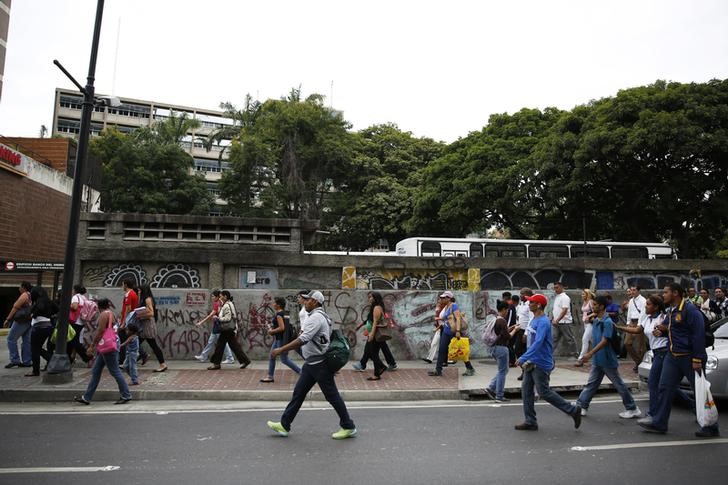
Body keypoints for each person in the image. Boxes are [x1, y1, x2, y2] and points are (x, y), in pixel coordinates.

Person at [266, 290, 357, 440]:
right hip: (311, 364)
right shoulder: (318, 316)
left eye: (308, 300)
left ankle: (348, 426)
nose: (305, 302)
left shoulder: (316, 318)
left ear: (315, 302)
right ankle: (284, 424)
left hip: (319, 364)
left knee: (332, 396)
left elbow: (304, 339)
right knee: (299, 393)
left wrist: (281, 349)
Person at [639, 283, 720, 438]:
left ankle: (711, 426)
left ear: (675, 293)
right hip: (673, 356)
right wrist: (661, 333)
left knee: (700, 391)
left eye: (665, 292)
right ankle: (659, 422)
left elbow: (698, 335)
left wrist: (697, 358)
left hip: (690, 357)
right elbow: (677, 332)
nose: (663, 295)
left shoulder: (691, 310)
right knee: (664, 388)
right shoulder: (672, 311)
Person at [616, 293, 690, 424]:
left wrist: (663, 331)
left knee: (653, 383)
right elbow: (638, 330)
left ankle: (653, 413)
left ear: (656, 307)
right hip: (655, 353)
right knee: (668, 386)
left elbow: (672, 330)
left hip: (664, 353)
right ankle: (693, 405)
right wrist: (619, 327)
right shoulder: (647, 318)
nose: (645, 306)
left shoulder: (664, 317)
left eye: (648, 304)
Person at [515, 293, 581, 431]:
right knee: (526, 391)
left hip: (541, 363)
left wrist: (523, 357)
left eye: (531, 302)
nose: (529, 304)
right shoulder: (534, 319)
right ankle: (530, 421)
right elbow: (531, 340)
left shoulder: (544, 322)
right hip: (531, 362)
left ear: (538, 305)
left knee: (544, 392)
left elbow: (538, 342)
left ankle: (573, 410)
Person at [575, 295, 641, 419]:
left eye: (594, 305)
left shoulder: (607, 322)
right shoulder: (596, 320)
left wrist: (590, 353)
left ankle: (632, 408)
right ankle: (581, 405)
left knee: (619, 385)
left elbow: (605, 341)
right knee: (592, 384)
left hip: (607, 359)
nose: (592, 306)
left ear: (601, 306)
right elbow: (593, 337)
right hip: (598, 360)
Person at [74, 298, 132, 405]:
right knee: (96, 370)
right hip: (109, 344)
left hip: (107, 346)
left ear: (99, 306)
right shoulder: (112, 314)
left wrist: (92, 346)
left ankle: (126, 394)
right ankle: (87, 397)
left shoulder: (103, 315)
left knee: (115, 371)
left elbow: (100, 331)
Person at [428, 291, 475, 377]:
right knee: (442, 350)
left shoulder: (454, 306)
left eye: (443, 298)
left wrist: (457, 331)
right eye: (441, 298)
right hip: (446, 331)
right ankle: (438, 370)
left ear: (449, 298)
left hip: (453, 332)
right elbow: (446, 319)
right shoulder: (446, 307)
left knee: (460, 350)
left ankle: (470, 368)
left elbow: (458, 318)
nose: (441, 299)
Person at [484, 300, 520, 402]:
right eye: (507, 310)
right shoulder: (502, 321)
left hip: (494, 348)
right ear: (504, 309)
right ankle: (498, 395)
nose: (508, 312)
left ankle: (491, 388)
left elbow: (501, 333)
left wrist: (511, 327)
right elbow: (507, 337)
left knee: (503, 370)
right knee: (502, 371)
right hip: (501, 348)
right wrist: (515, 330)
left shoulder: (496, 319)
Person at [261, 297, 301, 383]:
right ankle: (270, 376)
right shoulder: (284, 313)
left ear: (278, 305)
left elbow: (282, 328)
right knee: (272, 356)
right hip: (279, 339)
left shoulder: (279, 315)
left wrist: (271, 331)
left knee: (284, 359)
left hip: (281, 340)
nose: (273, 304)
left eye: (274, 303)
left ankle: (301, 372)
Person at [207, 290, 251, 370]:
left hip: (226, 329)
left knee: (220, 346)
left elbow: (228, 318)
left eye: (221, 296)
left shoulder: (227, 305)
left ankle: (216, 363)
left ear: (225, 296)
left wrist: (218, 318)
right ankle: (245, 360)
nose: (220, 297)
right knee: (234, 346)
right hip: (230, 329)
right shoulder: (228, 304)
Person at [194, 290, 234, 364]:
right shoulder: (221, 303)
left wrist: (200, 322)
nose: (211, 298)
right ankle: (203, 356)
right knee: (211, 342)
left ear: (217, 297)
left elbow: (210, 315)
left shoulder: (218, 304)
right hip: (217, 326)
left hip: (219, 326)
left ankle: (230, 358)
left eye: (212, 296)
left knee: (223, 342)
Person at [26, 287, 57, 377]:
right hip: (48, 326)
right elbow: (57, 309)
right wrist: (49, 314)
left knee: (34, 349)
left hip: (39, 327)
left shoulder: (40, 300)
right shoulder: (48, 300)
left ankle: (36, 371)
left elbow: (40, 307)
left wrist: (33, 315)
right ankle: (53, 361)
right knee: (37, 348)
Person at [357, 292, 389, 381]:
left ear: (375, 298)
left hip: (375, 334)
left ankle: (377, 374)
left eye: (371, 297)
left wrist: (371, 334)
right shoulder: (375, 307)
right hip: (372, 333)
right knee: (369, 352)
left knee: (373, 354)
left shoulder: (376, 308)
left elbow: (375, 323)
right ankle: (381, 367)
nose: (369, 298)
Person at [136, 285, 168, 373]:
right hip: (145, 325)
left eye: (139, 290)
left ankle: (162, 364)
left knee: (152, 345)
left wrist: (139, 315)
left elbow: (151, 313)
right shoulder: (144, 299)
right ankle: (132, 361)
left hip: (148, 325)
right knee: (136, 343)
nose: (138, 292)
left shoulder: (147, 299)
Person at [3, 282, 33, 369]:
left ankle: (15, 360)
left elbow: (15, 307)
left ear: (23, 287)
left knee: (11, 339)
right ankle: (27, 361)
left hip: (21, 321)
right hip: (29, 320)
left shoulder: (24, 295)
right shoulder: (31, 295)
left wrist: (8, 319)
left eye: (20, 286)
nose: (19, 288)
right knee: (27, 341)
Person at [623, 285, 647, 371]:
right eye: (631, 290)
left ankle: (640, 364)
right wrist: (628, 323)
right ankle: (638, 361)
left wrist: (639, 325)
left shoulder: (643, 300)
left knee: (641, 346)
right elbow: (629, 312)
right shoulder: (631, 301)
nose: (632, 292)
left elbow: (643, 313)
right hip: (632, 322)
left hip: (639, 323)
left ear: (638, 291)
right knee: (627, 343)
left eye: (634, 290)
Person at [551, 281, 577, 358]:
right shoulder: (557, 297)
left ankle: (575, 355)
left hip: (565, 322)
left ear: (562, 287)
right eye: (554, 288)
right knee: (553, 339)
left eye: (557, 287)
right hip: (556, 322)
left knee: (569, 339)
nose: (555, 289)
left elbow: (564, 310)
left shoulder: (565, 297)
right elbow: (556, 309)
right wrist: (553, 319)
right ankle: (548, 354)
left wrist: (557, 320)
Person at [68, 285, 92, 366]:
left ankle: (89, 357)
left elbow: (74, 307)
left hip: (74, 321)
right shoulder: (84, 298)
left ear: (75, 290)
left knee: (74, 341)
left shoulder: (75, 297)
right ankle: (69, 360)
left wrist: (67, 304)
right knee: (72, 341)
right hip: (81, 322)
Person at [117, 279, 139, 366]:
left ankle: (121, 361)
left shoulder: (129, 294)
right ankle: (142, 354)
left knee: (122, 338)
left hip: (127, 321)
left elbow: (128, 308)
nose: (122, 286)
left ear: (125, 285)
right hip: (130, 320)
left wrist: (123, 322)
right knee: (128, 338)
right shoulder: (134, 293)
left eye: (122, 284)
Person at [575, 289, 596, 366]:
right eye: (582, 294)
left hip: (591, 324)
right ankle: (602, 355)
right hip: (585, 324)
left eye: (583, 294)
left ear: (588, 294)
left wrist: (588, 316)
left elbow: (595, 311)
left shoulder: (590, 302)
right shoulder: (584, 302)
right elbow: (584, 311)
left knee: (585, 339)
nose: (582, 295)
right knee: (593, 341)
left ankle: (581, 359)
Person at [422, 296, 445, 364]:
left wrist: (437, 319)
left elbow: (446, 318)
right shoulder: (438, 308)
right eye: (438, 300)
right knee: (434, 343)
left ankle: (450, 359)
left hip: (444, 327)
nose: (438, 302)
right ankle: (430, 358)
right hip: (439, 328)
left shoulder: (444, 308)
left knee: (446, 344)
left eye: (439, 300)